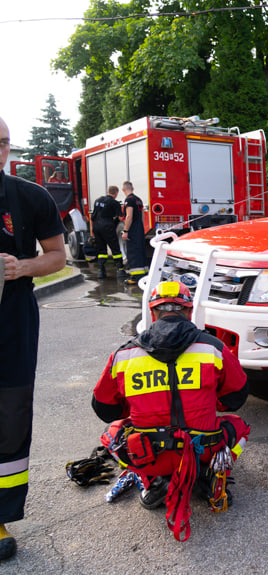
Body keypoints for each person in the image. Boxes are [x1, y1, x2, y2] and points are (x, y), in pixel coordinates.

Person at [92, 281, 250, 541]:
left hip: (148, 455)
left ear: (152, 314)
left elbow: (106, 409)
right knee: (240, 426)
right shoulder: (214, 349)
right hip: (203, 451)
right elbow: (235, 398)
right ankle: (212, 478)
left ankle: (151, 484)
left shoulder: (124, 356)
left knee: (113, 432)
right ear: (188, 312)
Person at [0, 116, 67, 562]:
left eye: (1, 142)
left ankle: (0, 515)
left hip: (12, 324)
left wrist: (22, 268)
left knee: (8, 418)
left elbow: (58, 255)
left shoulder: (29, 196)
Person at [91, 185, 125, 279]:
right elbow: (120, 217)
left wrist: (92, 232)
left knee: (101, 250)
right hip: (107, 227)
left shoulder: (98, 200)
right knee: (115, 248)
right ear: (116, 193)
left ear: (108, 191)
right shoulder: (114, 203)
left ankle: (101, 271)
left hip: (96, 227)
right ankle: (120, 270)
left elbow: (92, 217)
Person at [121, 181, 146, 286]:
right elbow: (143, 216)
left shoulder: (129, 200)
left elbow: (129, 216)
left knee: (133, 252)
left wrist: (125, 231)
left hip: (133, 230)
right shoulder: (138, 200)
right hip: (139, 228)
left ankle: (135, 277)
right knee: (140, 251)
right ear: (133, 188)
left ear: (123, 189)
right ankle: (144, 275)